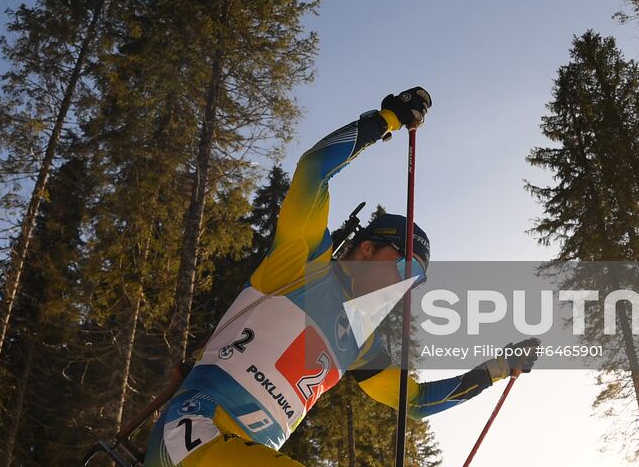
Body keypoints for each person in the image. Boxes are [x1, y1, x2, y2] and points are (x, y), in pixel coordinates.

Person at [144, 88, 537, 465]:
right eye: (405, 266)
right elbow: (314, 169)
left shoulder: (360, 342)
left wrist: (497, 369)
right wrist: (389, 120)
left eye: (416, 279)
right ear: (366, 248)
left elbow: (414, 403)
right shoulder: (301, 264)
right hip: (193, 433)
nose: (405, 285)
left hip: (249, 451)